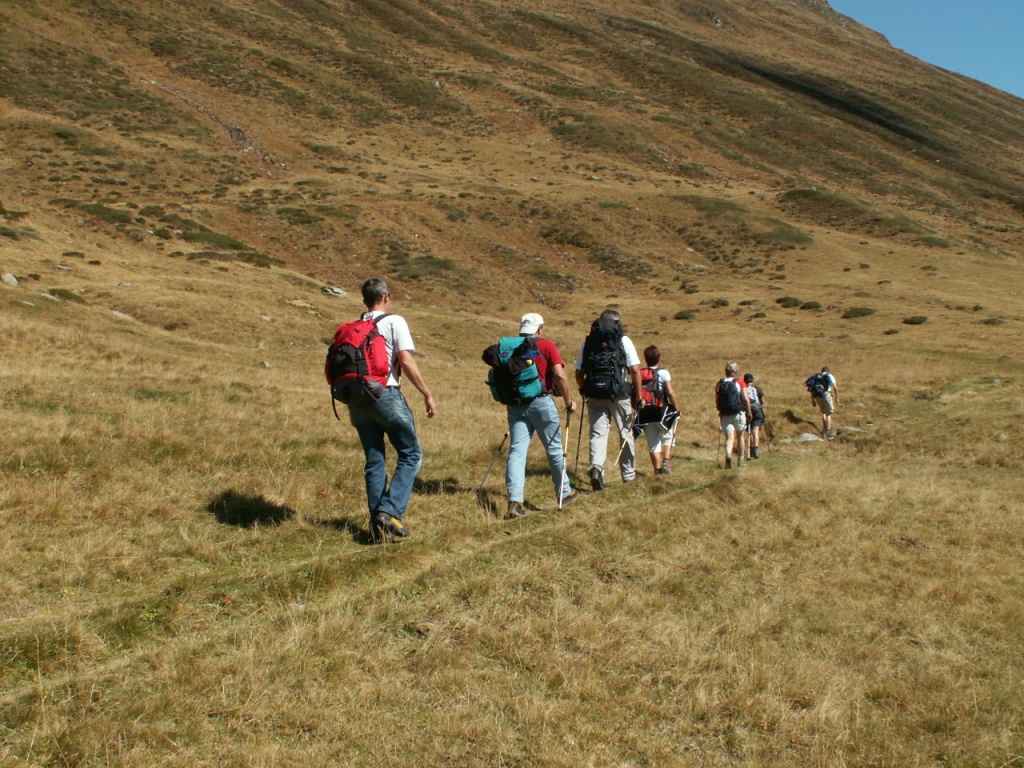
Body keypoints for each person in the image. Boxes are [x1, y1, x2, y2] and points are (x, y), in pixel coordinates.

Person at [345, 278, 437, 543]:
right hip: (386, 394)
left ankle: (377, 532)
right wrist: (427, 394)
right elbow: (406, 362)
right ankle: (390, 511)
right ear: (386, 297)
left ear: (365, 300)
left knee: (375, 463)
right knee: (411, 454)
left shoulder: (356, 326)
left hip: (358, 400)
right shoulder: (394, 321)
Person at [503, 313, 579, 518]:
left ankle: (514, 501)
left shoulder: (510, 346)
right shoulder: (547, 345)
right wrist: (568, 401)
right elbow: (559, 375)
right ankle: (564, 493)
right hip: (542, 402)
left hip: (516, 404)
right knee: (554, 449)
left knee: (517, 452)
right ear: (539, 329)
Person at [575, 309, 643, 490]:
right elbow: (635, 370)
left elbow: (579, 372)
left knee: (598, 434)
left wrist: (583, 390)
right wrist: (639, 395)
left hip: (595, 395)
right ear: (617, 323)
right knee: (625, 433)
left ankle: (596, 469)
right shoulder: (623, 340)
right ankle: (628, 476)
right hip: (619, 394)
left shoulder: (588, 342)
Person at [637, 345, 681, 475]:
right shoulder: (663, 373)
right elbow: (670, 393)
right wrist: (677, 409)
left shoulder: (640, 374)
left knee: (653, 442)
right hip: (660, 412)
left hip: (644, 412)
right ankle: (666, 462)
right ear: (658, 358)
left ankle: (657, 470)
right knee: (667, 437)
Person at [715, 361, 751, 469]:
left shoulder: (720, 383)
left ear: (725, 371)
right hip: (738, 412)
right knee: (740, 436)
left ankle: (728, 455)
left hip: (725, 414)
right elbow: (745, 399)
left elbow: (716, 399)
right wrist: (749, 412)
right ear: (735, 372)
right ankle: (740, 460)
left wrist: (720, 409)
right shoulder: (740, 382)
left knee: (729, 438)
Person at [810, 366, 840, 439]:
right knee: (828, 413)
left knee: (823, 412)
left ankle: (824, 430)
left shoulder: (816, 377)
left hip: (817, 396)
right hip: (826, 395)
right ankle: (828, 431)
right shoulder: (829, 376)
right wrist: (837, 398)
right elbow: (835, 388)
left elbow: (812, 389)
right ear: (828, 371)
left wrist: (813, 400)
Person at [743, 373, 766, 459]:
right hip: (757, 409)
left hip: (747, 410)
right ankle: (756, 449)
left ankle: (751, 449)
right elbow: (763, 402)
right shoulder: (757, 389)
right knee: (755, 429)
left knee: (749, 429)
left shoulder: (743, 389)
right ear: (752, 380)